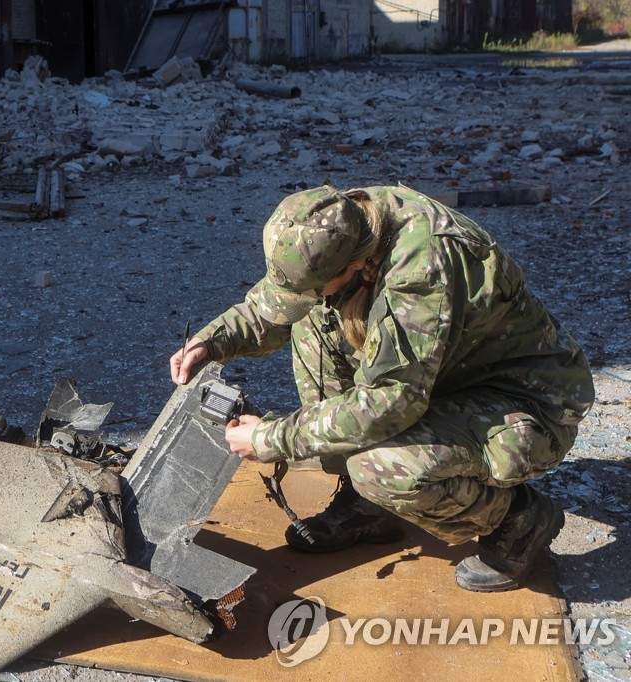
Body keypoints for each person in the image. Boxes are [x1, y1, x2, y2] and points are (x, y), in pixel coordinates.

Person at [169, 185, 594, 592]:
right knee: (314, 319)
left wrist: (272, 438)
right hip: (446, 380)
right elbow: (281, 300)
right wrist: (213, 340)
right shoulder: (343, 222)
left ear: (355, 265)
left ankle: (517, 521)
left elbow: (391, 402)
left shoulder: (421, 269)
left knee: (381, 466)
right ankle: (367, 505)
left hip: (525, 406)